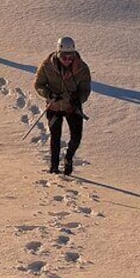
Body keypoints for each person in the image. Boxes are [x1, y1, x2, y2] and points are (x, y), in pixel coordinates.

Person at [33, 36, 92, 175]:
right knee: (55, 137)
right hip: (54, 107)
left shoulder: (82, 68)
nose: (67, 60)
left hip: (72, 107)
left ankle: (69, 157)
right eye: (64, 57)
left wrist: (79, 100)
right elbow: (38, 84)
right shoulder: (47, 66)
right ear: (58, 54)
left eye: (70, 57)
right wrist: (49, 94)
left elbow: (85, 89)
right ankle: (54, 167)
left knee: (76, 137)